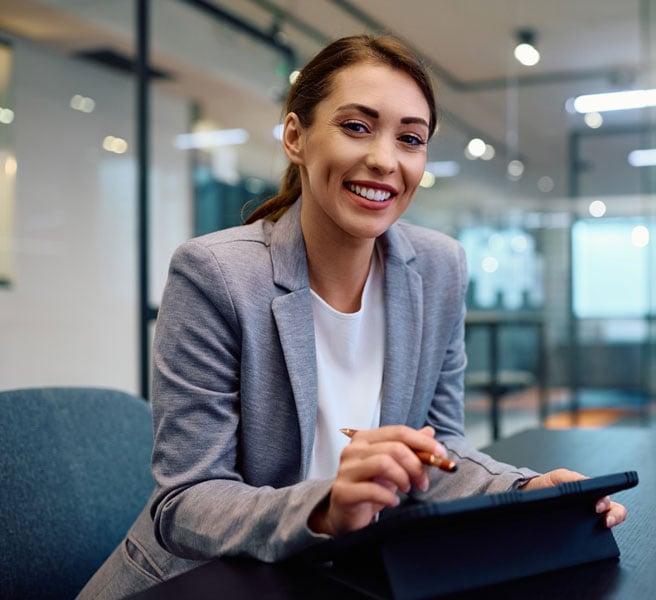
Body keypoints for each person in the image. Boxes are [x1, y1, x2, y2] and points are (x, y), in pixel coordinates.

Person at [78, 33, 626, 599]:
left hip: (334, 576)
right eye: (357, 127)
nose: (385, 160)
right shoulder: (214, 274)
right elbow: (185, 501)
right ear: (296, 137)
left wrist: (530, 490)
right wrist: (327, 507)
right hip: (201, 584)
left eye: (410, 138)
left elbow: (441, 453)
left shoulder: (439, 267)